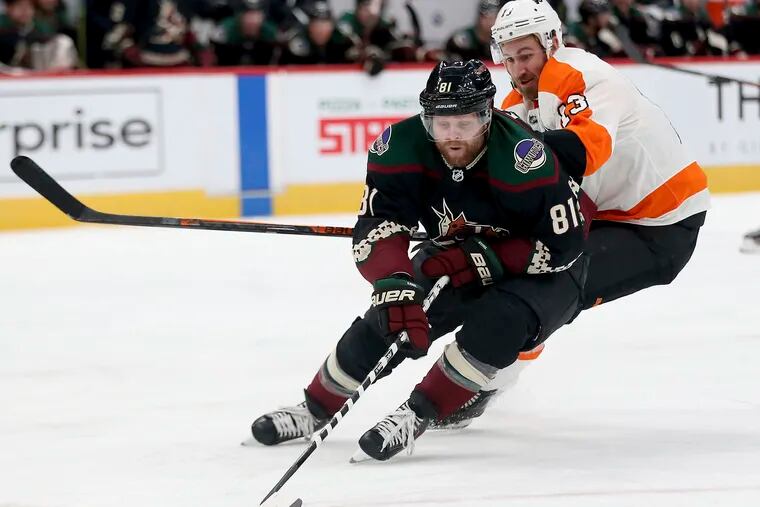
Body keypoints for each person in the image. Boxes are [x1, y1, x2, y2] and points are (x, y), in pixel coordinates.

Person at [249, 59, 594, 460]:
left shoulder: (523, 158)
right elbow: (379, 225)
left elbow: (565, 244)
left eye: (463, 123)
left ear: (487, 116)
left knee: (499, 323)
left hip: (546, 268)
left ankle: (418, 414)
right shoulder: (400, 146)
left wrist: (487, 258)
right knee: (391, 315)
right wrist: (393, 281)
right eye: (441, 124)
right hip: (455, 253)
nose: (452, 136)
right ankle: (314, 408)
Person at [433, 0, 710, 430]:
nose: (518, 69)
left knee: (552, 283)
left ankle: (486, 379)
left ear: (552, 42)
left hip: (661, 223)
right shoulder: (518, 102)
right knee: (531, 275)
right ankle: (490, 374)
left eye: (526, 55)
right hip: (613, 212)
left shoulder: (583, 77)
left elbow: (582, 157)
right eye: (509, 58)